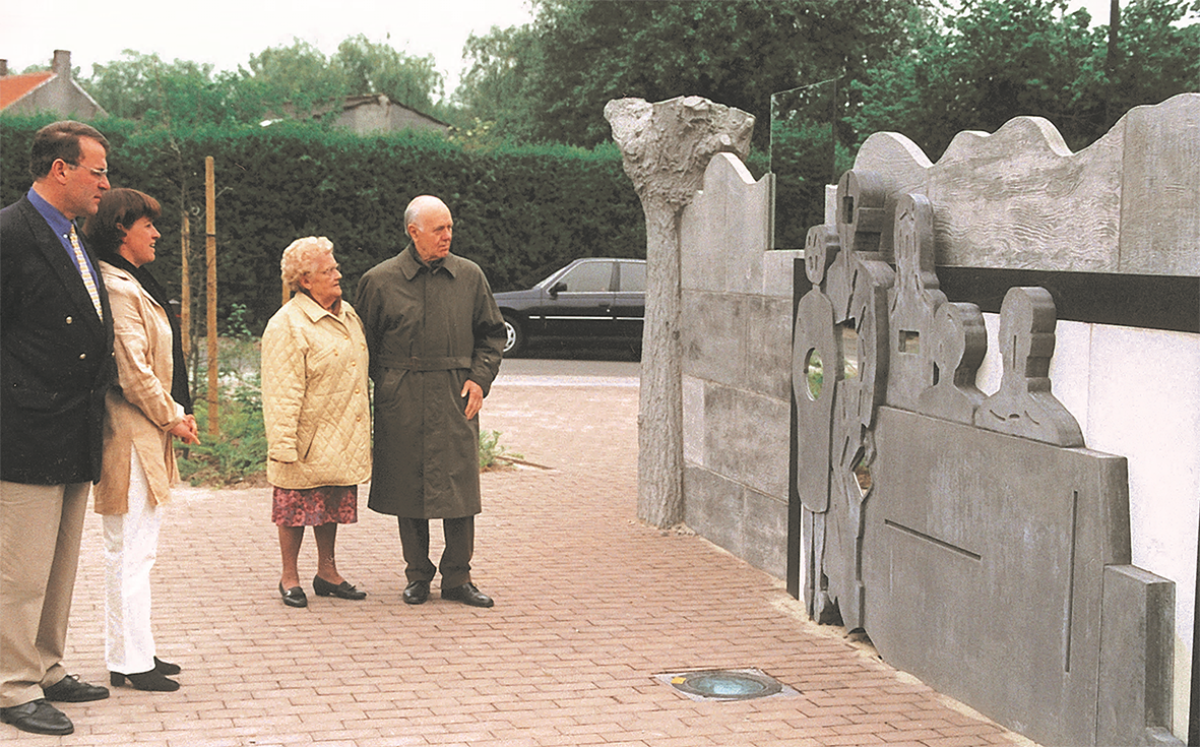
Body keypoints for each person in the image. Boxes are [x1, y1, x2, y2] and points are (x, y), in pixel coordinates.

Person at [0, 121, 114, 736]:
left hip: (74, 427)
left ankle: (45, 666)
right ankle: (12, 685)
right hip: (24, 431)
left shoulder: (71, 235)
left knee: (59, 564)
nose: (106, 184)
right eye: (98, 171)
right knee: (19, 571)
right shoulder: (10, 234)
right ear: (60, 169)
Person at [356, 195, 505, 608]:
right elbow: (363, 345)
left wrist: (480, 379)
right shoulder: (380, 280)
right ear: (414, 232)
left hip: (457, 394)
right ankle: (417, 575)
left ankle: (458, 577)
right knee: (410, 486)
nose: (447, 235)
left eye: (450, 227)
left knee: (460, 488)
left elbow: (492, 335)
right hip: (402, 397)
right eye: (439, 229)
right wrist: (389, 385)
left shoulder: (470, 276)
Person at [84, 188, 200, 692]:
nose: (156, 233)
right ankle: (130, 662)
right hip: (128, 434)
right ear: (120, 230)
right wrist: (174, 416)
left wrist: (173, 417)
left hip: (143, 432)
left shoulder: (133, 280)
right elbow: (133, 372)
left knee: (136, 552)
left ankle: (133, 651)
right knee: (129, 552)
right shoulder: (117, 286)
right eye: (147, 225)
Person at [262, 236, 372, 608]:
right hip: (306, 438)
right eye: (328, 271)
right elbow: (280, 392)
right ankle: (289, 576)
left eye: (335, 267)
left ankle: (328, 572)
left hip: (341, 432)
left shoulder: (348, 314)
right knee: (294, 508)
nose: (338, 274)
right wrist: (283, 445)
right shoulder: (287, 325)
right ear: (305, 280)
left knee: (331, 503)